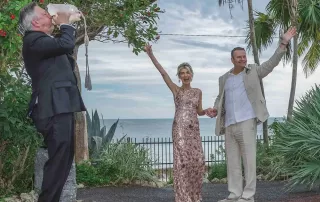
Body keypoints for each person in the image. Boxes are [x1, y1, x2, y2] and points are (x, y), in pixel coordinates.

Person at [207, 27, 296, 202]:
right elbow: (220, 97)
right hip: (229, 124)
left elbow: (271, 64)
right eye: (239, 57)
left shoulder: (253, 71)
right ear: (232, 59)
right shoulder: (224, 78)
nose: (243, 58)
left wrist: (283, 43)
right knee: (232, 163)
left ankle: (248, 197)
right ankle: (234, 195)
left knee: (249, 162)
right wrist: (215, 108)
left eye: (244, 56)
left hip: (246, 122)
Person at [19, 2, 86, 202]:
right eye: (45, 14)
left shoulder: (44, 41)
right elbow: (65, 44)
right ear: (36, 21)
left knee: (63, 161)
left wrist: (69, 21)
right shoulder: (32, 40)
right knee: (58, 162)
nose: (50, 15)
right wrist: (65, 24)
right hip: (52, 108)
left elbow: (63, 44)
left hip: (60, 107)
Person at [144, 43, 212, 202]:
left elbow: (199, 111)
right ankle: (183, 197)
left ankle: (194, 195)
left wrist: (207, 112)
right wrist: (151, 54)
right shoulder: (176, 90)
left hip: (194, 129)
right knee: (182, 163)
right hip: (179, 129)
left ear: (192, 74)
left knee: (197, 161)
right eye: (182, 73)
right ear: (179, 77)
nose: (185, 75)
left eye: (187, 72)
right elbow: (163, 73)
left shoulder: (198, 92)